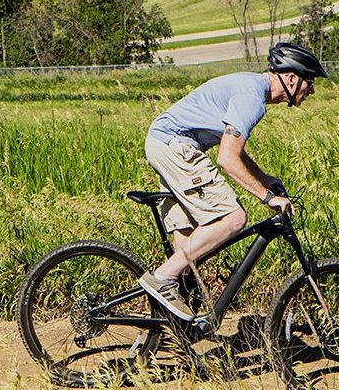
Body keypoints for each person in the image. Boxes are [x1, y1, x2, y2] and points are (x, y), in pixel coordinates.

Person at [136, 41, 327, 323]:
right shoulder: (252, 97)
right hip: (176, 145)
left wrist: (265, 179)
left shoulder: (250, 89)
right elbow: (227, 158)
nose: (311, 89)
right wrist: (267, 197)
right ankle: (161, 278)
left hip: (164, 143)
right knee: (233, 218)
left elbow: (234, 147)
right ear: (290, 77)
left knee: (188, 259)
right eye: (309, 81)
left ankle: (170, 332)